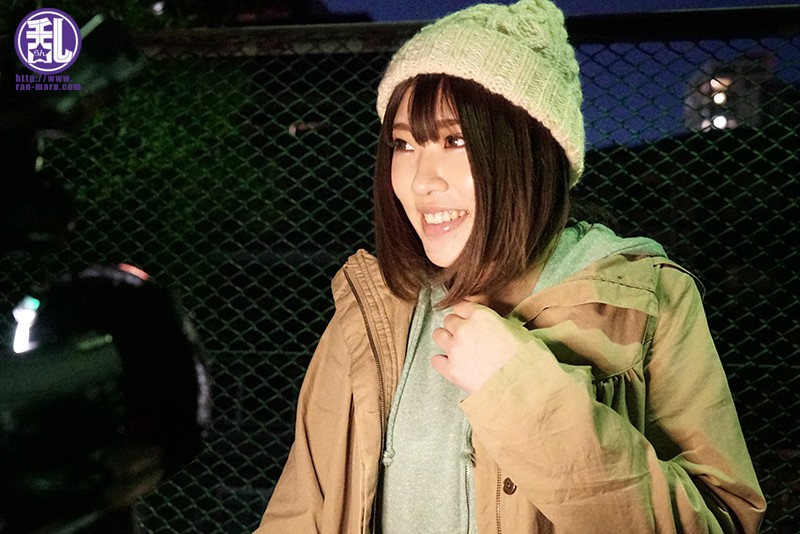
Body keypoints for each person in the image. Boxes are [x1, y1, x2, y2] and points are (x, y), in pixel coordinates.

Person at [254, 0, 767, 532]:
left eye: (454, 140)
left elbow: (721, 521)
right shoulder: (372, 311)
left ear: (530, 150)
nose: (422, 180)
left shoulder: (645, 299)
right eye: (403, 144)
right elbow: (298, 514)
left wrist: (522, 393)